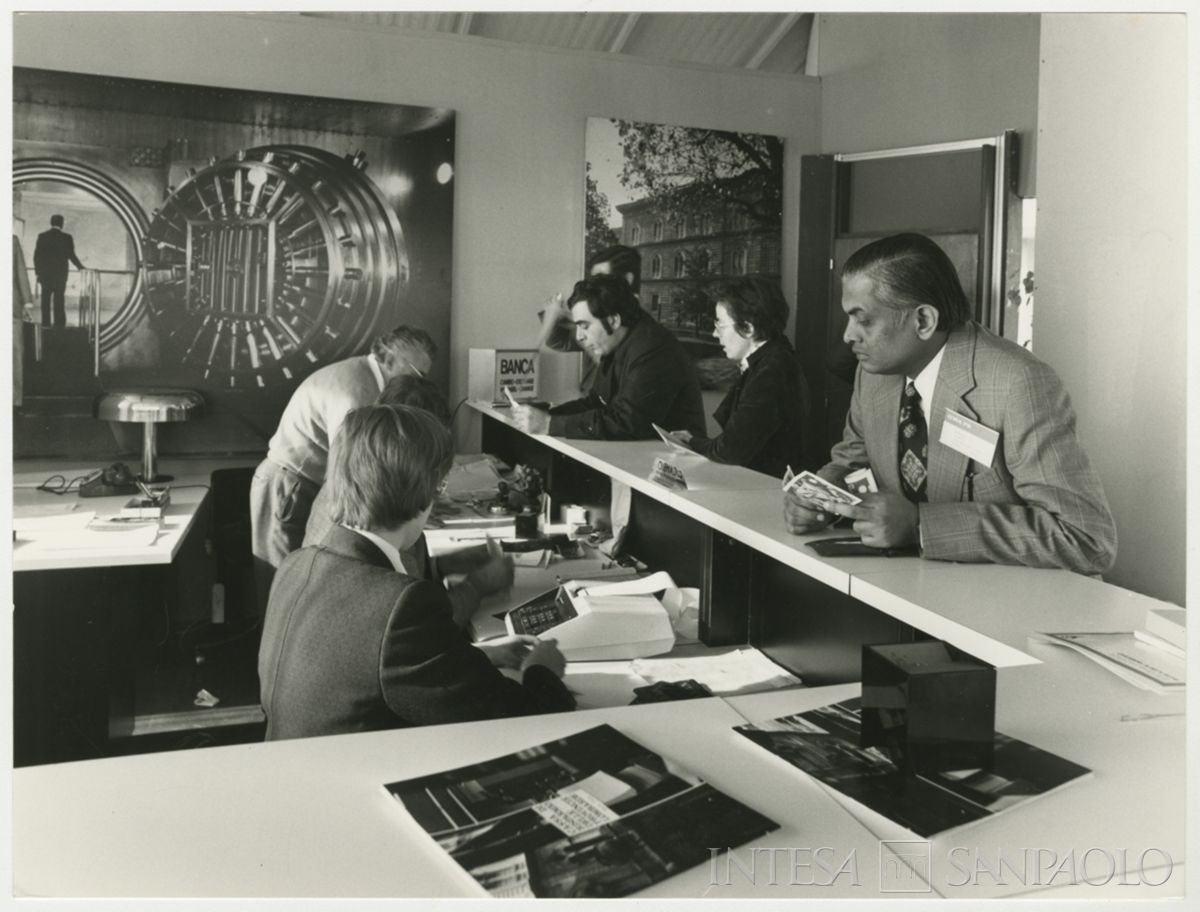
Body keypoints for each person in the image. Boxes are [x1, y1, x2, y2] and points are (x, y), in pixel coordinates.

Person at [783, 233, 1116, 575]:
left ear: (923, 320)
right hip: (908, 593)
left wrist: (920, 526)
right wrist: (819, 498)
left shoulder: (1017, 382)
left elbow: (1087, 540)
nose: (848, 335)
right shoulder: (872, 375)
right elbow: (851, 462)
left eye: (863, 319)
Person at [259, 404, 574, 741]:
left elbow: (368, 666)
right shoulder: (400, 604)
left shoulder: (296, 564)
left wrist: (479, 655)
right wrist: (542, 669)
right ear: (429, 491)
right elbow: (523, 720)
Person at [303, 373, 514, 628]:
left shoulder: (356, 483)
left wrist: (446, 564)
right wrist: (478, 586)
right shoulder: (382, 516)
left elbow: (400, 568)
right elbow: (424, 624)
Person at [250, 325, 436, 610]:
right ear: (389, 359)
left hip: (305, 483)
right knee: (282, 595)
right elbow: (353, 472)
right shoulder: (356, 393)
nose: (419, 383)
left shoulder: (367, 378)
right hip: (287, 486)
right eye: (416, 373)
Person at [511, 273, 705, 440]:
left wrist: (549, 424)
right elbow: (596, 402)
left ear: (613, 320)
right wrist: (546, 414)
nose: (579, 336)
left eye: (584, 326)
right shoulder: (615, 341)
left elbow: (627, 422)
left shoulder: (653, 348)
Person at [662, 278, 809, 478]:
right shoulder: (773, 360)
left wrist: (693, 442)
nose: (715, 334)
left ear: (748, 328)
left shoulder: (772, 370)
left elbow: (731, 450)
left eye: (720, 325)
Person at [536, 245, 643, 359]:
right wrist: (552, 315)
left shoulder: (642, 332)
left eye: (601, 278)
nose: (594, 287)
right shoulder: (602, 316)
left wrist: (567, 316)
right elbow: (560, 342)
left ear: (627, 279)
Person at [33, 214, 84, 329]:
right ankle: (59, 324)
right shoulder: (67, 238)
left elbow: (37, 257)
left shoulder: (42, 236)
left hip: (45, 275)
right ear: (62, 223)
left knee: (45, 300)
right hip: (60, 275)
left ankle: (45, 323)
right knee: (59, 300)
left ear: (51, 223)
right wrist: (80, 267)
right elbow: (71, 255)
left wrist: (38, 272)